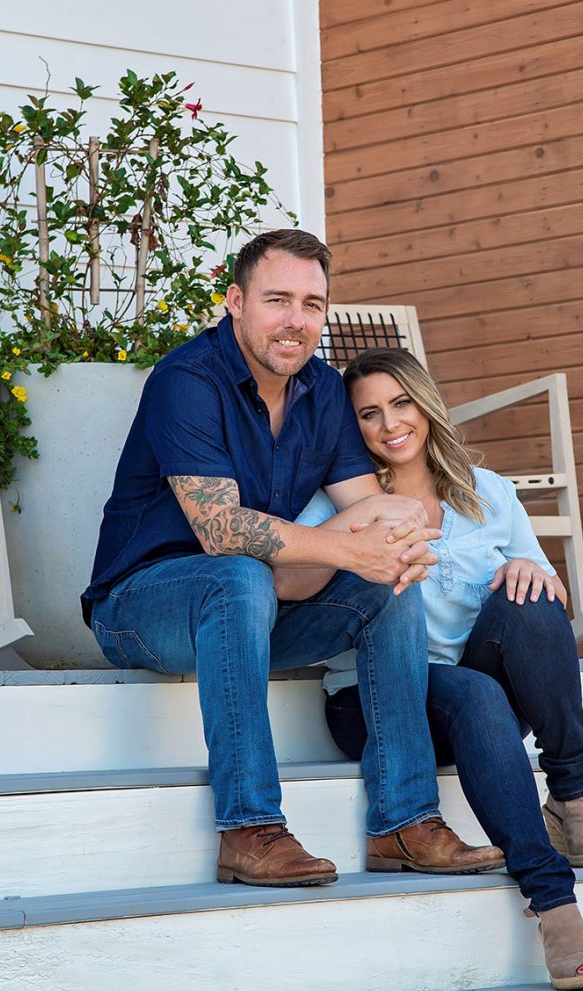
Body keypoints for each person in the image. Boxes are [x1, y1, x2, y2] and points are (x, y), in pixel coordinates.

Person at [81, 229, 504, 890]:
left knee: (383, 584)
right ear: (235, 301)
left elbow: (373, 508)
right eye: (278, 299)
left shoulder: (325, 392)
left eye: (312, 304)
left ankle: (405, 823)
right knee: (240, 572)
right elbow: (219, 528)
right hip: (142, 606)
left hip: (256, 608)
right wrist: (347, 545)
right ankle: (248, 829)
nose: (296, 320)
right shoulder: (186, 379)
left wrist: (399, 545)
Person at [279, 346, 583, 990]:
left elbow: (557, 605)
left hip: (473, 692)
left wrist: (531, 569)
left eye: (400, 403)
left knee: (533, 599)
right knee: (477, 693)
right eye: (368, 414)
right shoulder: (336, 503)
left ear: (425, 406)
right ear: (354, 429)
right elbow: (292, 582)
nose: (388, 424)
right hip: (374, 700)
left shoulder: (486, 492)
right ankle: (554, 903)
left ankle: (571, 794)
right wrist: (353, 541)